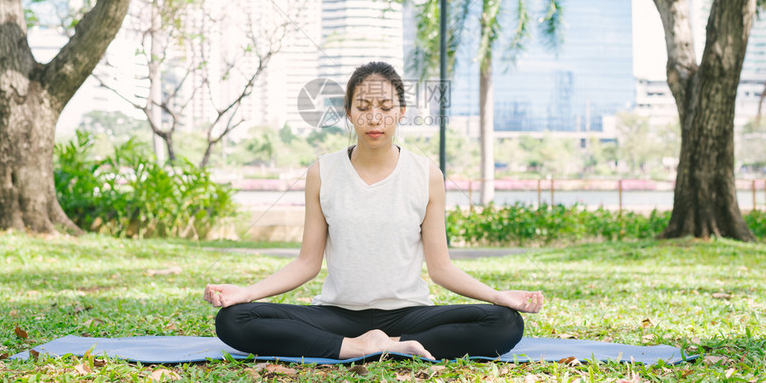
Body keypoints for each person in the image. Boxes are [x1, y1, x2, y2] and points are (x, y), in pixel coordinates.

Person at [204, 61, 544, 360]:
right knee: (234, 320)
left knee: (505, 323)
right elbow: (307, 264)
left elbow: (441, 269)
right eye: (363, 107)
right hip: (338, 314)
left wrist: (499, 296)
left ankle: (391, 342)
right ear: (349, 113)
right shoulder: (322, 171)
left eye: (385, 106)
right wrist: (245, 294)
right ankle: (356, 346)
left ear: (401, 112)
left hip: (408, 314)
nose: (374, 117)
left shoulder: (426, 174)